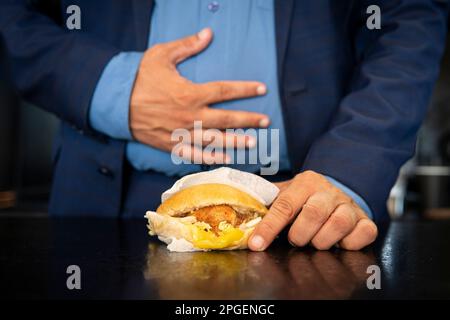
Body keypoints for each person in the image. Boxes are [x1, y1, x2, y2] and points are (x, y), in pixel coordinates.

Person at [0, 0, 448, 251]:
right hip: (104, 207)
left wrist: (348, 170)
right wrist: (110, 88)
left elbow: (409, 16)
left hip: (305, 211)